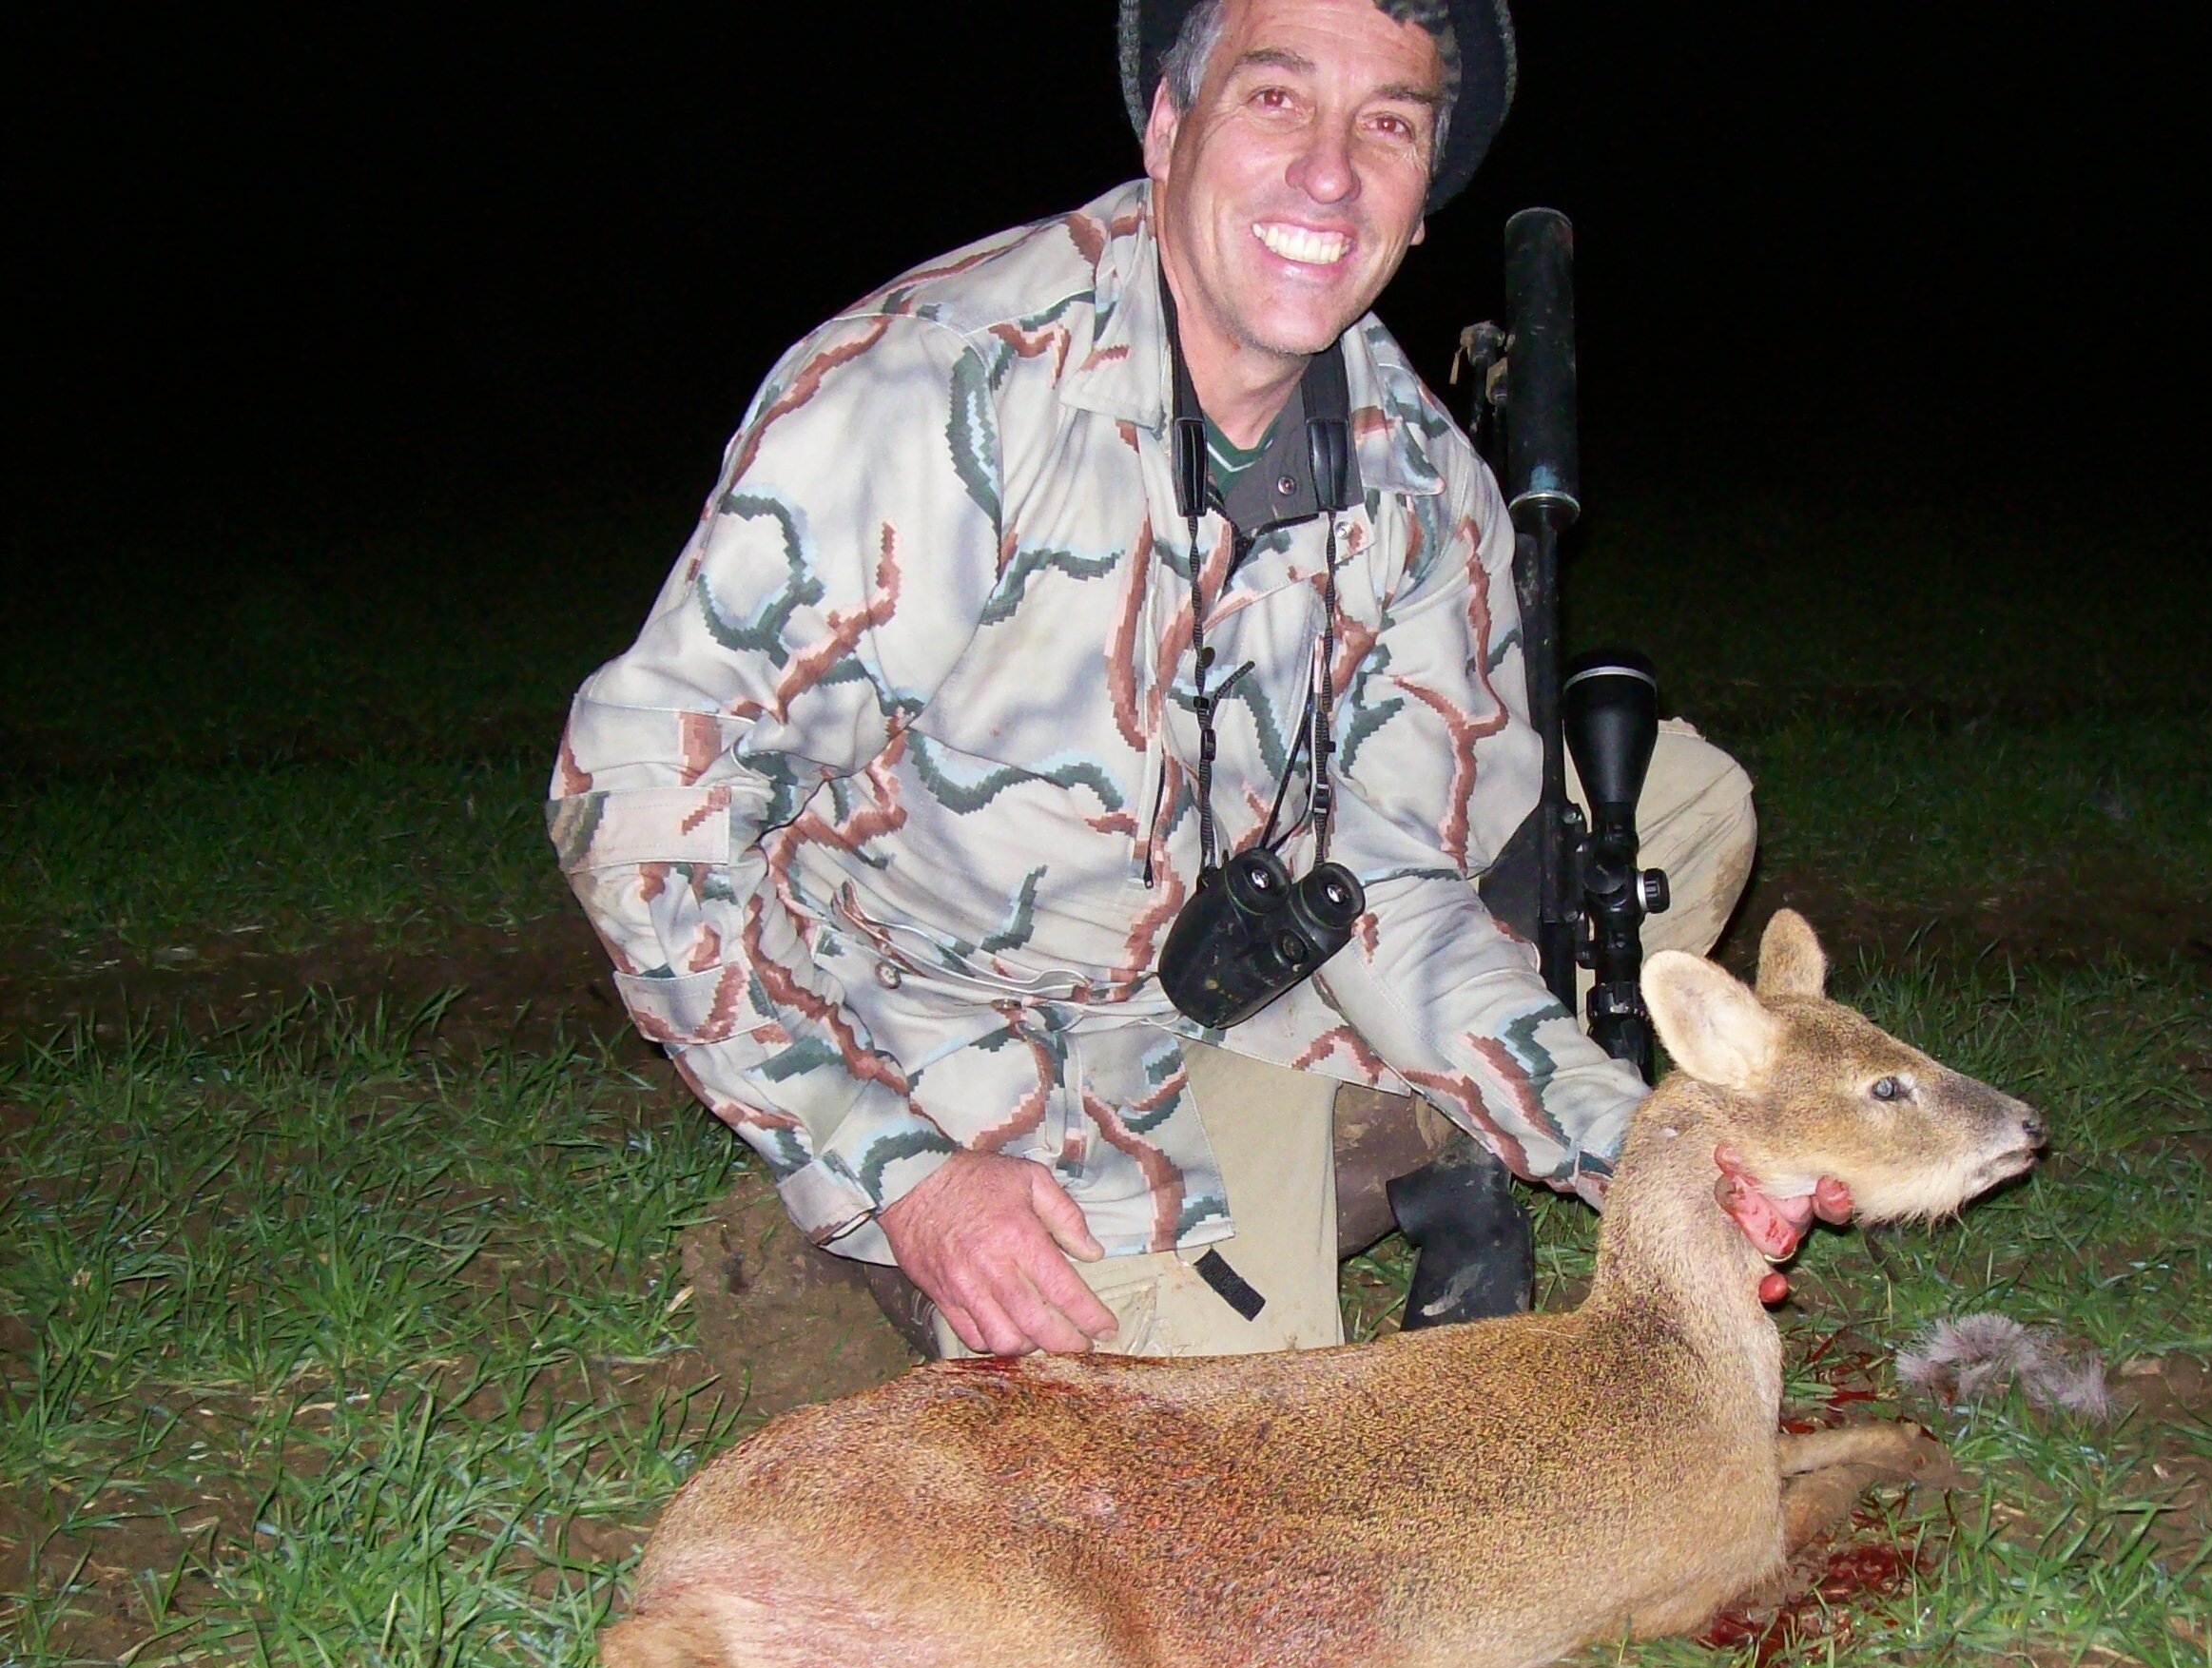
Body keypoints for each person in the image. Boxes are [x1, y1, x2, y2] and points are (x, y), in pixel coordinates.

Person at [549, 0, 1756, 1360]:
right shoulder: (942, 395)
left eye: (1390, 126)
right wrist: (898, 1170)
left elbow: (1393, 884)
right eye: (1277, 99)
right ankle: (870, 1227)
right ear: (1169, 127)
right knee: (1207, 1496)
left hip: (1216, 981)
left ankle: (1368, 1157)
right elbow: (636, 801)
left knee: (1676, 804)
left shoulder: (1419, 481)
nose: (1330, 173)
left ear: (1424, 204)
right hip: (940, 1019)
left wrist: (1630, 1145)